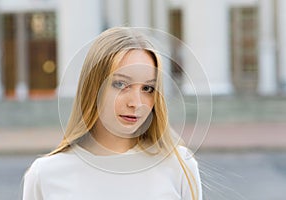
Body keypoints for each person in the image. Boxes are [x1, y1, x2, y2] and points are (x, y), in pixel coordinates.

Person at [23, 27, 202, 200]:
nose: (136, 103)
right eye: (120, 84)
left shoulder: (179, 166)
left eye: (147, 88)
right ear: (93, 87)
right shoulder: (45, 175)